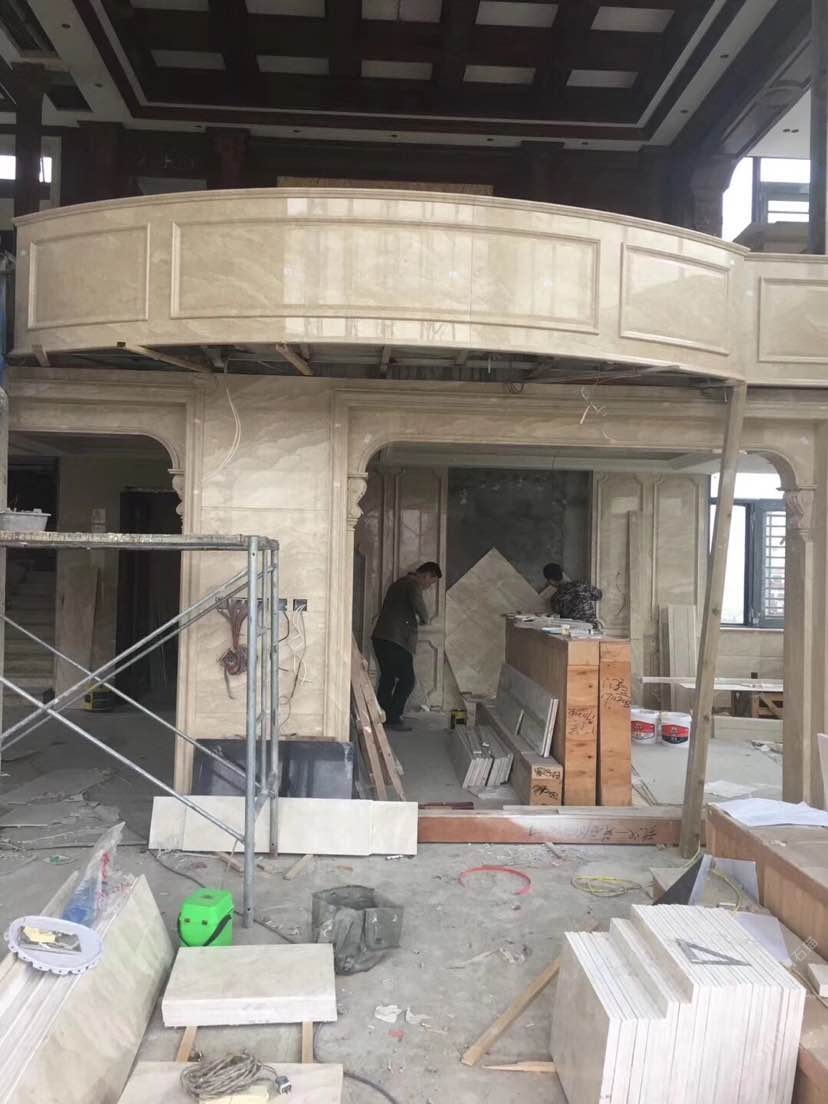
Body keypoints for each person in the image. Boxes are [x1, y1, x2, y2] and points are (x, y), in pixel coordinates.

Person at [372, 561, 442, 731]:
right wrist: (425, 619)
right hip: (395, 640)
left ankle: (382, 716)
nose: (429, 586)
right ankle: (393, 718)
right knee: (407, 680)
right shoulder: (412, 584)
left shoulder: (399, 583)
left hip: (381, 638)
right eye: (431, 582)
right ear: (426, 575)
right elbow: (419, 606)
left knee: (388, 678)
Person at [543, 562, 603, 629]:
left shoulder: (556, 598)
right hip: (592, 628)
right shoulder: (582, 586)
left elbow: (557, 613)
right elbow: (599, 595)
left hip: (573, 631)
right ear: (563, 573)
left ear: (551, 581)